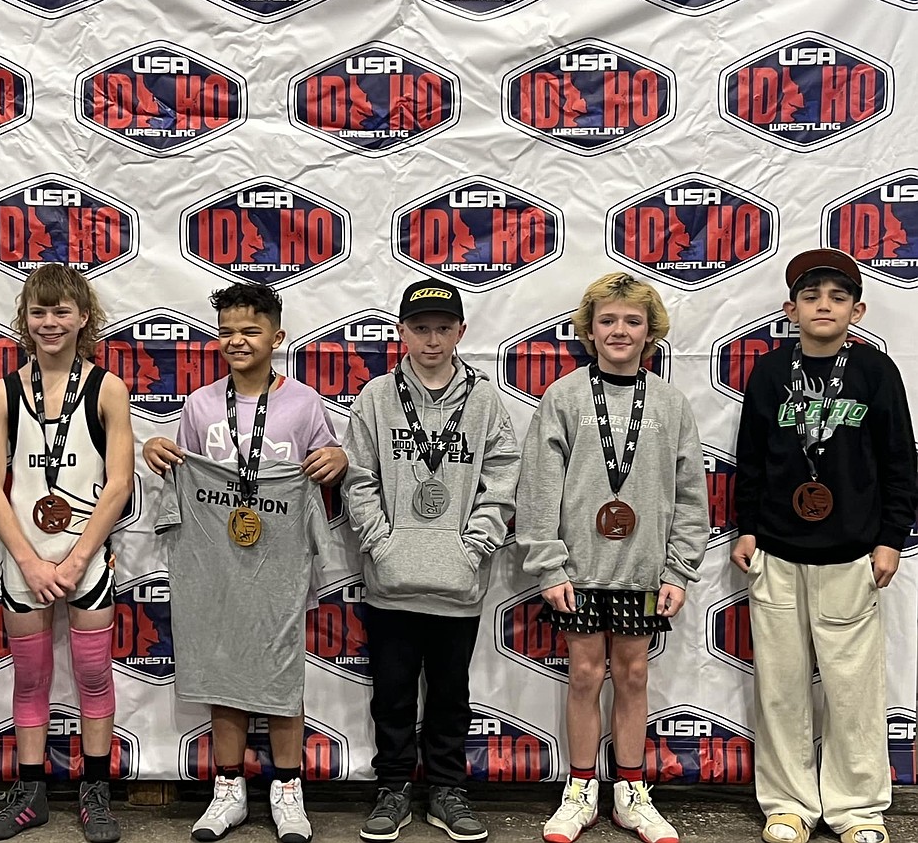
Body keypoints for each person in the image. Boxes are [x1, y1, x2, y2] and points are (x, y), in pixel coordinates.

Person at [143, 282, 347, 843]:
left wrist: (338, 456)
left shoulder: (305, 403)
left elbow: (333, 459)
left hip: (279, 563)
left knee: (281, 673)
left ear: (277, 337)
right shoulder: (201, 404)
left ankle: (287, 789)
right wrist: (156, 453)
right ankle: (227, 788)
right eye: (227, 331)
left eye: (250, 331)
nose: (237, 340)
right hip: (214, 566)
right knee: (220, 669)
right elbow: (178, 469)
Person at [732, 249, 916, 843]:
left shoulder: (876, 372)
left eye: (837, 297)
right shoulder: (769, 371)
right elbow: (752, 458)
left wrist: (891, 539)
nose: (824, 306)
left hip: (852, 553)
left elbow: (899, 463)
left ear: (856, 309)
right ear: (790, 309)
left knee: (852, 691)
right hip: (778, 552)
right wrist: (747, 528)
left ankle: (857, 809)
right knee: (781, 688)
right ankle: (786, 803)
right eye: (811, 297)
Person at [518, 272, 708, 843]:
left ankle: (630, 790)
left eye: (631, 320)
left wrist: (679, 567)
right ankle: (579, 790)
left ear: (650, 331)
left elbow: (690, 492)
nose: (619, 330)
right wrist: (548, 564)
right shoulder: (566, 396)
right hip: (578, 571)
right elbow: (539, 487)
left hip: (643, 569)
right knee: (582, 674)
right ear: (589, 330)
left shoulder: (670, 402)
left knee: (632, 674)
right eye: (608, 320)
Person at [342, 279, 520, 843]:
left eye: (444, 328)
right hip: (391, 583)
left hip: (459, 583)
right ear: (401, 333)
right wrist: (384, 545)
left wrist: (473, 547)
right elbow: (358, 478)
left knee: (449, 694)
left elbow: (503, 479)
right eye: (421, 328)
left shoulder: (487, 399)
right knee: (391, 693)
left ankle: (447, 789)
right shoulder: (376, 396)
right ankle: (393, 787)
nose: (433, 339)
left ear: (462, 332)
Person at [0, 265, 134, 843]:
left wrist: (71, 561)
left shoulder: (108, 388)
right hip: (26, 558)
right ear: (25, 320)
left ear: (82, 318)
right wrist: (31, 561)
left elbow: (119, 483)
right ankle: (31, 792)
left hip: (84, 557)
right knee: (31, 677)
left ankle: (95, 792)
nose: (50, 322)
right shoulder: (4, 392)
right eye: (39, 312)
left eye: (61, 311)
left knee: (93, 674)